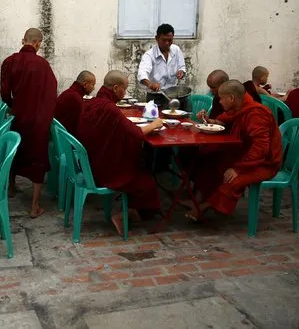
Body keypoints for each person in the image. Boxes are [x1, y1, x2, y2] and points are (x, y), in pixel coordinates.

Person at [77, 70, 163, 235]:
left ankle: (128, 211)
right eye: (125, 89)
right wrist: (154, 124)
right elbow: (135, 134)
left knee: (139, 163)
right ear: (116, 88)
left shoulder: (93, 102)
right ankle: (125, 216)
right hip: (100, 170)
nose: (124, 93)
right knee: (146, 181)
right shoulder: (110, 109)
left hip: (89, 161)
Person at [186, 80, 282, 221]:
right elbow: (223, 120)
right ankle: (201, 200)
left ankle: (204, 207)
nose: (219, 102)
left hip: (265, 163)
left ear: (231, 98)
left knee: (233, 180)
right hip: (243, 153)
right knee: (210, 162)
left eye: (221, 99)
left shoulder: (256, 114)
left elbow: (261, 148)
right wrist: (208, 120)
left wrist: (238, 169)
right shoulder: (239, 107)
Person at [0, 27, 57, 218]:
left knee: (15, 150)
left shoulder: (9, 62)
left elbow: (4, 93)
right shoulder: (43, 65)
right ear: (38, 43)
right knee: (37, 157)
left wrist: (15, 106)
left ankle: (11, 187)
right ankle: (34, 206)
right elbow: (51, 93)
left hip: (19, 115)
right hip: (38, 119)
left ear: (23, 40)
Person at [137, 24, 186, 93]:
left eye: (170, 40)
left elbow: (182, 67)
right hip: (155, 95)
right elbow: (142, 74)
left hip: (172, 93)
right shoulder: (149, 55)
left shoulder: (176, 50)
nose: (167, 43)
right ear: (157, 38)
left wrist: (181, 72)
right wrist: (150, 84)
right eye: (164, 40)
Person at [55, 71, 96, 135]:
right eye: (93, 84)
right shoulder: (76, 98)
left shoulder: (68, 93)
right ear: (85, 84)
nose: (94, 88)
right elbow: (77, 127)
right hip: (64, 138)